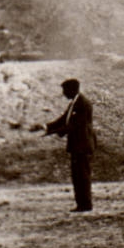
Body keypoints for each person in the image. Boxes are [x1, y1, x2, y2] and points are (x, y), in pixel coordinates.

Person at [44, 78, 95, 212]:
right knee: (77, 175)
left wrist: (51, 132)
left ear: (72, 90)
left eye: (65, 90)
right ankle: (81, 204)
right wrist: (46, 127)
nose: (63, 93)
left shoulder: (83, 104)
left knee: (82, 175)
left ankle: (85, 204)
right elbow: (63, 119)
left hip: (82, 145)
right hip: (77, 145)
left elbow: (73, 125)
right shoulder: (75, 103)